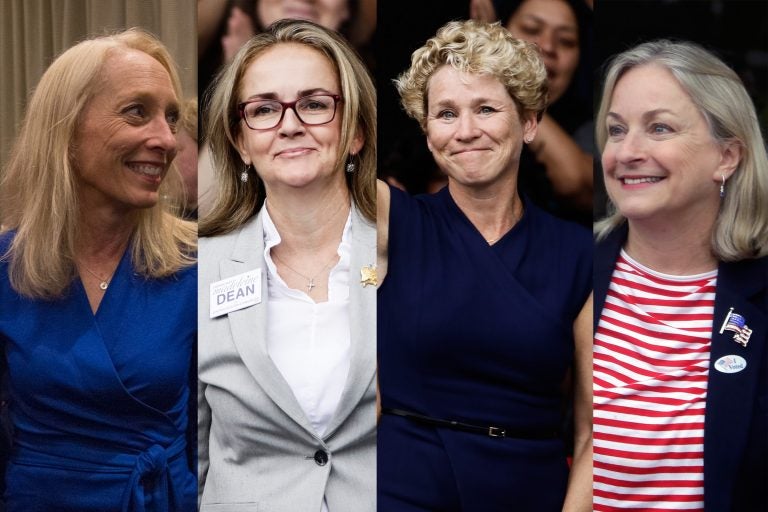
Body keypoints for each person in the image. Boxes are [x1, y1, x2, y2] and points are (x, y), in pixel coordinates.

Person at [377, 20, 593, 511]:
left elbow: (592, 434)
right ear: (427, 131)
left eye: (487, 109)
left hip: (530, 489)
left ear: (530, 122)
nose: (466, 131)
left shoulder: (578, 254)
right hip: (403, 486)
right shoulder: (393, 220)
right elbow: (314, 163)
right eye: (446, 113)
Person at [0, 28, 197, 511]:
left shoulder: (201, 267)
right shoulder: (5, 267)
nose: (167, 140)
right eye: (137, 112)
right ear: (64, 131)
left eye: (171, 118)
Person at [197, 19, 376, 512]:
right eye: (264, 109)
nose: (290, 124)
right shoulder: (198, 269)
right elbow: (189, 451)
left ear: (355, 131)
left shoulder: (405, 252)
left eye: (315, 104)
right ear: (239, 143)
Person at [593, 40, 768, 512]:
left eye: (659, 128)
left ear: (727, 156)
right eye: (615, 130)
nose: (627, 152)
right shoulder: (571, 270)